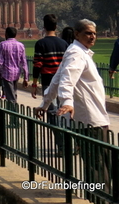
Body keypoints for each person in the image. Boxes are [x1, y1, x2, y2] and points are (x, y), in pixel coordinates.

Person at [35, 19, 110, 185]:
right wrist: (67, 101)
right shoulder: (76, 53)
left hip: (94, 118)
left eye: (94, 34)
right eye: (88, 33)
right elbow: (67, 80)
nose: (92, 37)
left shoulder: (77, 52)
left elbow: (56, 80)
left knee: (106, 163)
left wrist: (44, 104)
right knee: (97, 166)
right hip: (89, 120)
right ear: (77, 34)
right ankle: (98, 198)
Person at [31, 14, 68, 101]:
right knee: (61, 109)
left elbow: (37, 65)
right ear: (56, 26)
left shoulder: (41, 43)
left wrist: (34, 84)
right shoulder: (64, 43)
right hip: (62, 79)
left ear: (44, 27)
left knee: (51, 109)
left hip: (48, 79)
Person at [0, 27, 29, 103]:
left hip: (6, 73)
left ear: (6, 34)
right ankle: (13, 108)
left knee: (10, 96)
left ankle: (13, 111)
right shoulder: (20, 45)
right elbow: (24, 62)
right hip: (16, 73)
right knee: (13, 92)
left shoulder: (3, 45)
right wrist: (26, 78)